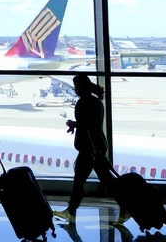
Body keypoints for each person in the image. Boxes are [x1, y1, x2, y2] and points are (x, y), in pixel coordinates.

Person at [53, 75, 128, 226]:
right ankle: (125, 207)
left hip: (90, 148)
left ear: (82, 87)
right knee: (104, 181)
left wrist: (76, 124)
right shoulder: (94, 101)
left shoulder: (86, 102)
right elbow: (93, 124)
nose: (75, 89)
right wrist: (76, 126)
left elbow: (90, 125)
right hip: (95, 146)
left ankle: (72, 212)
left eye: (76, 86)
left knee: (81, 181)